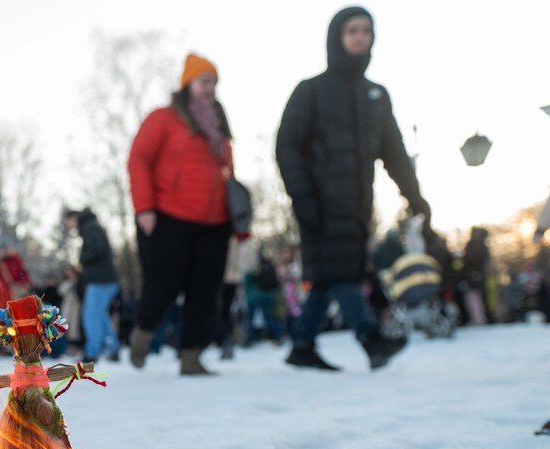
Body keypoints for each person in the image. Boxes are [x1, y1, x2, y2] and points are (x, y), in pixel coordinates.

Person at [275, 7, 429, 371]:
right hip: (319, 202)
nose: (361, 37)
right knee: (341, 270)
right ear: (337, 38)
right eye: (352, 31)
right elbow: (287, 147)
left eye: (366, 31)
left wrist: (415, 196)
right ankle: (370, 337)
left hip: (359, 203)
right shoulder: (311, 91)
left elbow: (395, 153)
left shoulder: (376, 94)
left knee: (329, 275)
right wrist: (303, 199)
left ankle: (301, 345)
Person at [127, 53, 242, 375]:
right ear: (187, 84)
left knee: (206, 291)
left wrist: (237, 216)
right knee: (163, 284)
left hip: (215, 221)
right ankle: (143, 331)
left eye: (214, 83)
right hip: (168, 215)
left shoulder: (218, 123)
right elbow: (138, 160)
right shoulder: (163, 118)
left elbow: (227, 170)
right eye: (204, 81)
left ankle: (191, 356)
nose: (210, 88)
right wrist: (144, 208)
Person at [63, 207, 120, 362]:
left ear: (73, 218)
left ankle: (92, 352)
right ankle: (113, 348)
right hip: (105, 279)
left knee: (91, 315)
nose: (68, 227)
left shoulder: (90, 227)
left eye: (67, 222)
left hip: (100, 280)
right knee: (100, 315)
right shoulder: (91, 225)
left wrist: (82, 259)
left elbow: (96, 250)